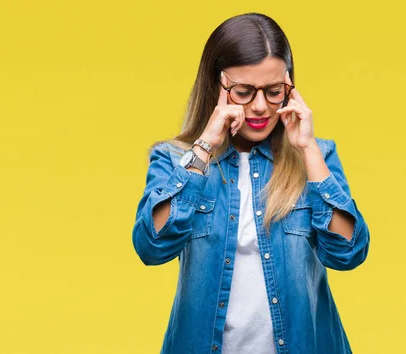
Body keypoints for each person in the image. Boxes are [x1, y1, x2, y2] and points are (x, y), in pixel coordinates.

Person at [131, 13, 370, 354]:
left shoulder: (317, 157)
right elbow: (151, 246)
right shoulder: (175, 160)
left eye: (274, 91)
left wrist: (307, 150)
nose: (260, 107)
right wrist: (204, 146)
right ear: (217, 87)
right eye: (244, 92)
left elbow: (349, 253)